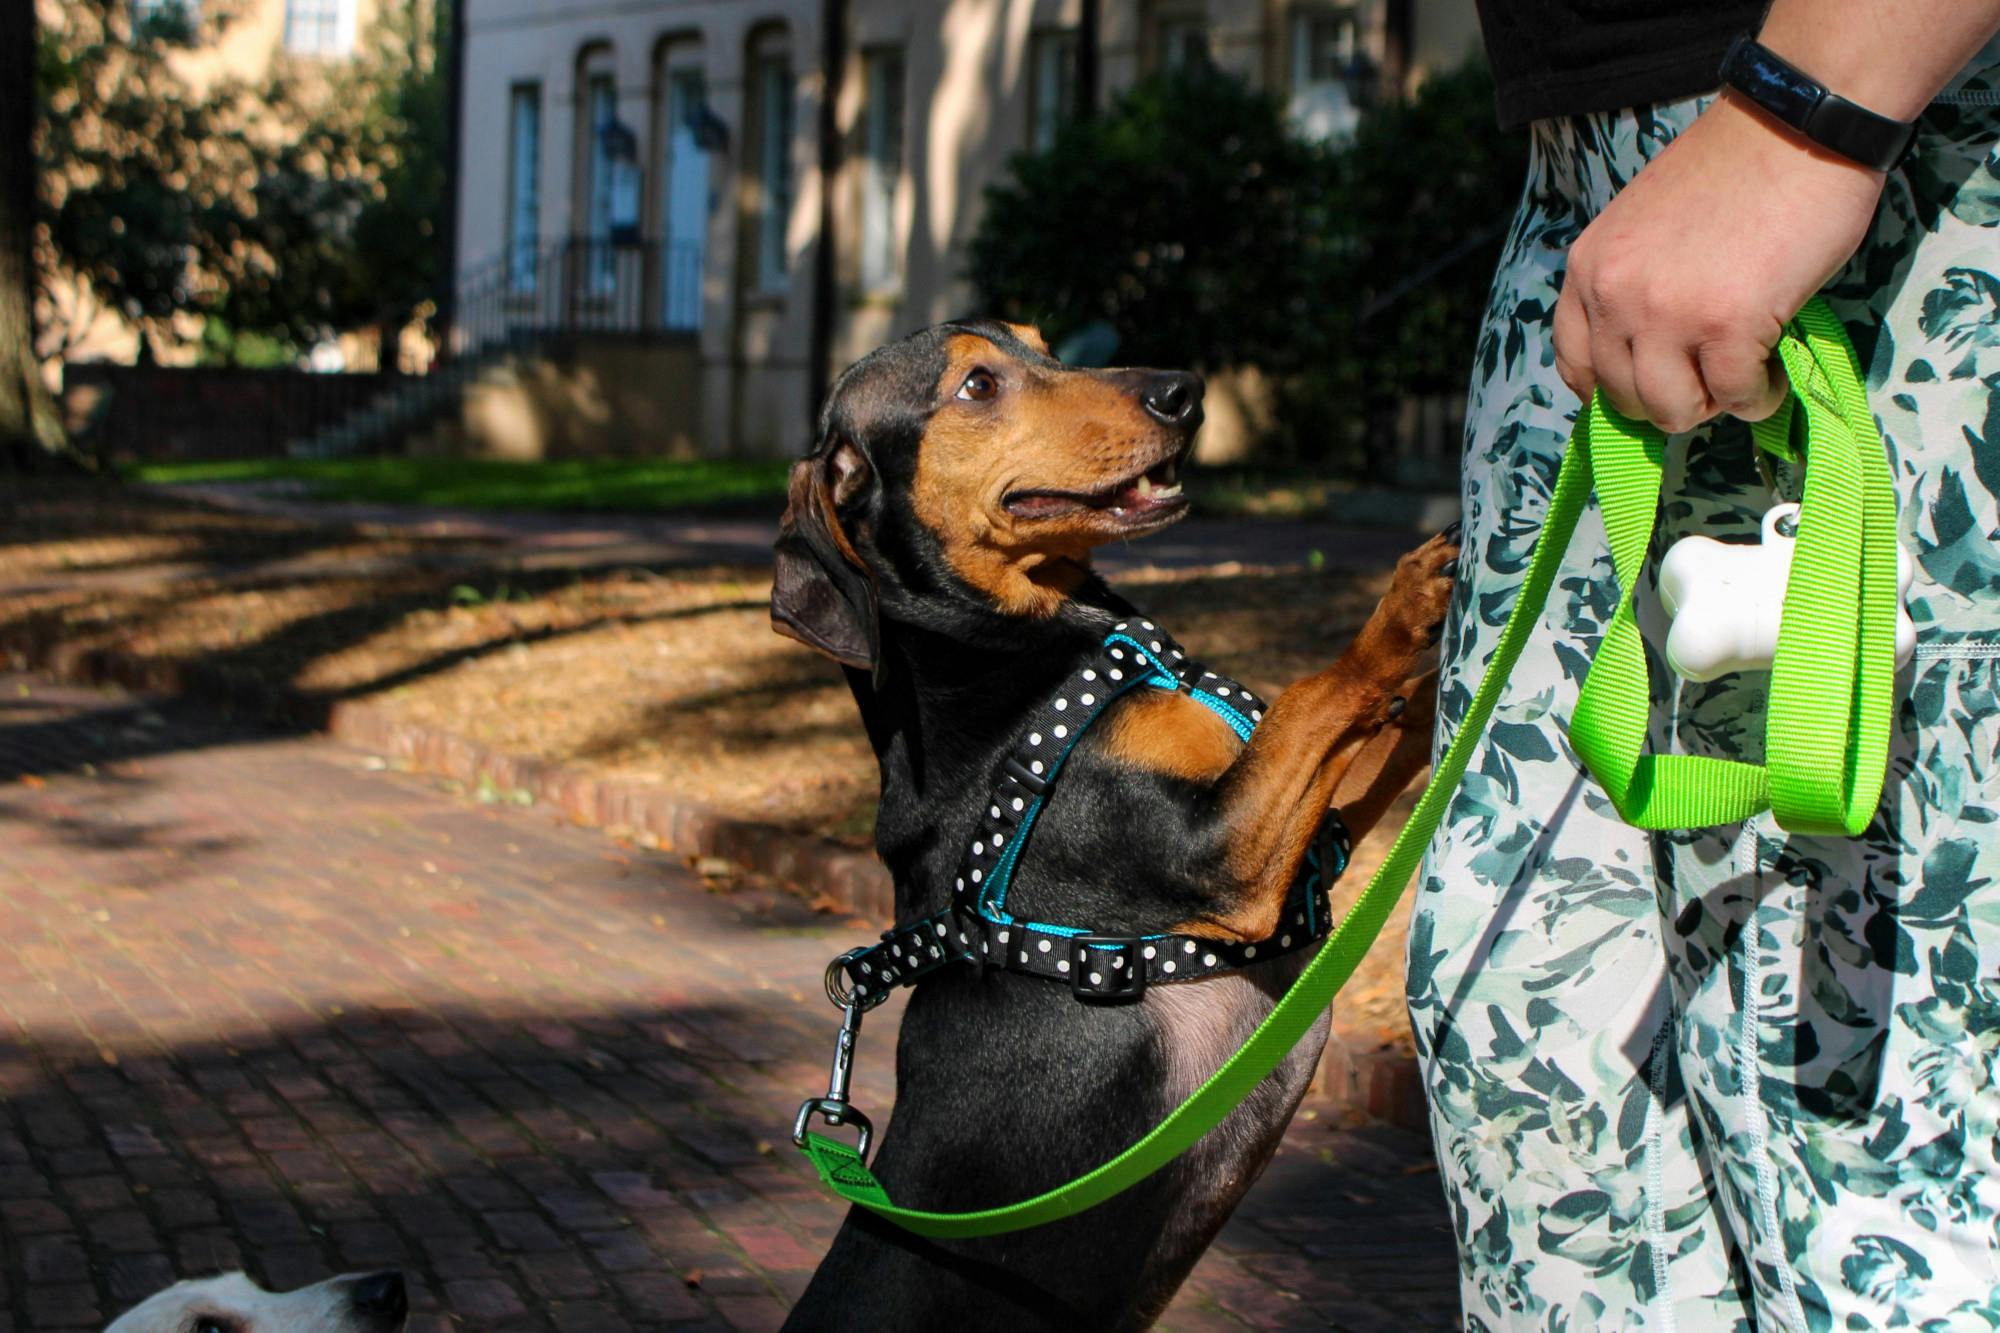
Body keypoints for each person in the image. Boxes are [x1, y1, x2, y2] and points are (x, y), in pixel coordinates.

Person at [1411, 2, 2000, 1327]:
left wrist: (1814, 111)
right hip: (1599, 211)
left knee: (1870, 1144)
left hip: (1886, 154)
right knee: (1537, 1070)